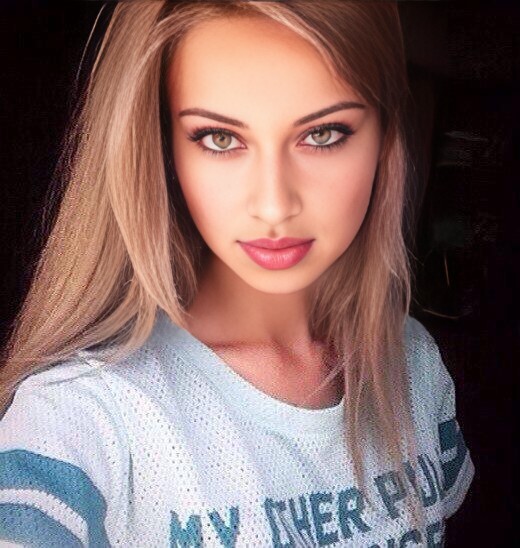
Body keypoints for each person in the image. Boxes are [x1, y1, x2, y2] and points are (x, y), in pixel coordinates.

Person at [0, 1, 474, 546]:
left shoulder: (412, 362)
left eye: (323, 134)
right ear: (164, 152)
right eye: (220, 138)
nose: (273, 205)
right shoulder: (83, 417)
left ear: (386, 140)